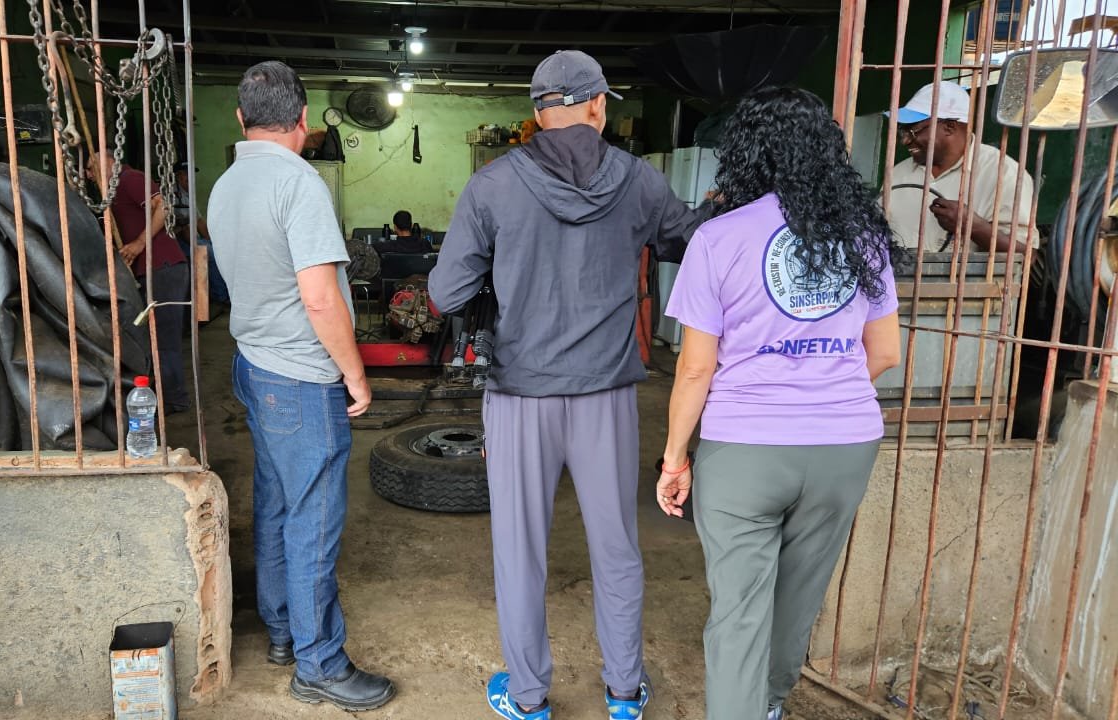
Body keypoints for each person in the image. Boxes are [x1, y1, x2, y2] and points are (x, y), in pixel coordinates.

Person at [429, 49, 712, 720]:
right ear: (597, 106)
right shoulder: (638, 181)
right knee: (616, 547)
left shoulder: (493, 185)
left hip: (519, 396)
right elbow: (694, 242)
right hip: (606, 395)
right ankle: (624, 693)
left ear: (536, 112)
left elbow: (446, 293)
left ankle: (528, 698)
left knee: (519, 551)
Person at [657, 87, 903, 720]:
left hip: (745, 447)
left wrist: (675, 458)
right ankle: (768, 704)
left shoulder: (719, 237)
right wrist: (822, 387)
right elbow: (884, 352)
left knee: (739, 610)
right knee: (797, 597)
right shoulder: (863, 237)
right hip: (845, 444)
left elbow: (695, 368)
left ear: (746, 154)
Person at [207, 60, 396, 711]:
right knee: (312, 520)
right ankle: (320, 664)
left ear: (241, 118)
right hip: (299, 377)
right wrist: (355, 372)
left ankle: (285, 631)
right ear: (305, 120)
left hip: (253, 365)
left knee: (277, 502)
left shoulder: (226, 185)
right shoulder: (299, 184)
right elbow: (320, 299)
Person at [886, 81, 1037, 254]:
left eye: (914, 132)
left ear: (949, 127)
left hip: (967, 273)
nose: (905, 141)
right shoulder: (897, 174)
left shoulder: (1004, 174)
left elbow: (1027, 256)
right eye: (903, 132)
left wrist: (973, 227)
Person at [98, 152, 190, 412]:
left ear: (110, 163)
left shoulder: (129, 178)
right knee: (153, 338)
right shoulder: (113, 191)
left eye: (92, 167)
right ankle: (165, 395)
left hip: (163, 267)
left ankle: (174, 400)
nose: (87, 174)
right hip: (150, 270)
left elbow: (164, 206)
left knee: (163, 339)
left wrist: (139, 243)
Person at [173, 162, 229, 305]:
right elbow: (183, 230)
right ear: (178, 176)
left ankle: (225, 293)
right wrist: (201, 244)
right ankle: (221, 296)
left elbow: (199, 221)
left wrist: (212, 240)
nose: (191, 178)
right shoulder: (172, 194)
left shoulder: (187, 194)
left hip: (191, 238)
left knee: (219, 248)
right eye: (186, 174)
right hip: (178, 242)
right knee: (209, 252)